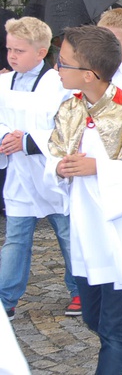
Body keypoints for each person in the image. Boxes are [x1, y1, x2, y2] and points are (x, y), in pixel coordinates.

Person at [45, 25, 122, 375]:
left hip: (120, 234)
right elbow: (53, 155)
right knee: (92, 317)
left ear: (88, 74)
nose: (56, 67)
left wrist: (99, 168)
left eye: (63, 62)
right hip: (87, 230)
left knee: (112, 332)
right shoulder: (70, 109)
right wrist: (60, 168)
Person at [0, 17, 79, 321]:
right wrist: (5, 137)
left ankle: (79, 289)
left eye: (19, 50)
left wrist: (28, 141)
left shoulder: (58, 84)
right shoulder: (3, 82)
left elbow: (66, 127)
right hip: (19, 176)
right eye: (10, 49)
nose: (12, 56)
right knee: (16, 238)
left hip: (50, 174)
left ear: (42, 51)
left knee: (68, 235)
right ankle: (6, 298)